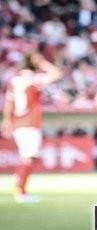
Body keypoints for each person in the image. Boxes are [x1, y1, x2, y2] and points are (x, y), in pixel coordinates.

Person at [2, 52, 61, 202]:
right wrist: (42, 63)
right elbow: (56, 74)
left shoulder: (15, 80)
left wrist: (7, 121)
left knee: (27, 156)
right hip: (30, 122)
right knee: (28, 157)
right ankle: (21, 192)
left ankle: (18, 179)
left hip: (18, 123)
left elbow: (8, 103)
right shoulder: (33, 79)